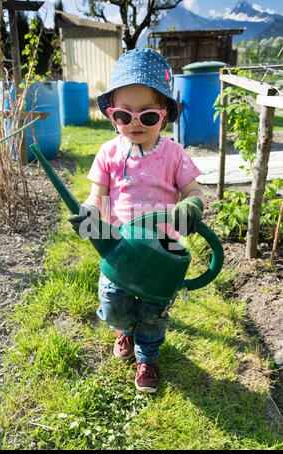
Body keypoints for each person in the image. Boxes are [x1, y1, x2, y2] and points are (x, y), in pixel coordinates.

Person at [68, 48, 205, 393]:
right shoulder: (108, 153)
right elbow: (96, 196)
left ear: (165, 116)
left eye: (147, 117)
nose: (133, 125)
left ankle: (147, 356)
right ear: (111, 114)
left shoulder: (174, 154)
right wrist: (90, 213)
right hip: (120, 246)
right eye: (122, 116)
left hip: (163, 248)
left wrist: (192, 206)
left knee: (153, 311)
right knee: (114, 302)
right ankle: (122, 328)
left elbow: (193, 192)